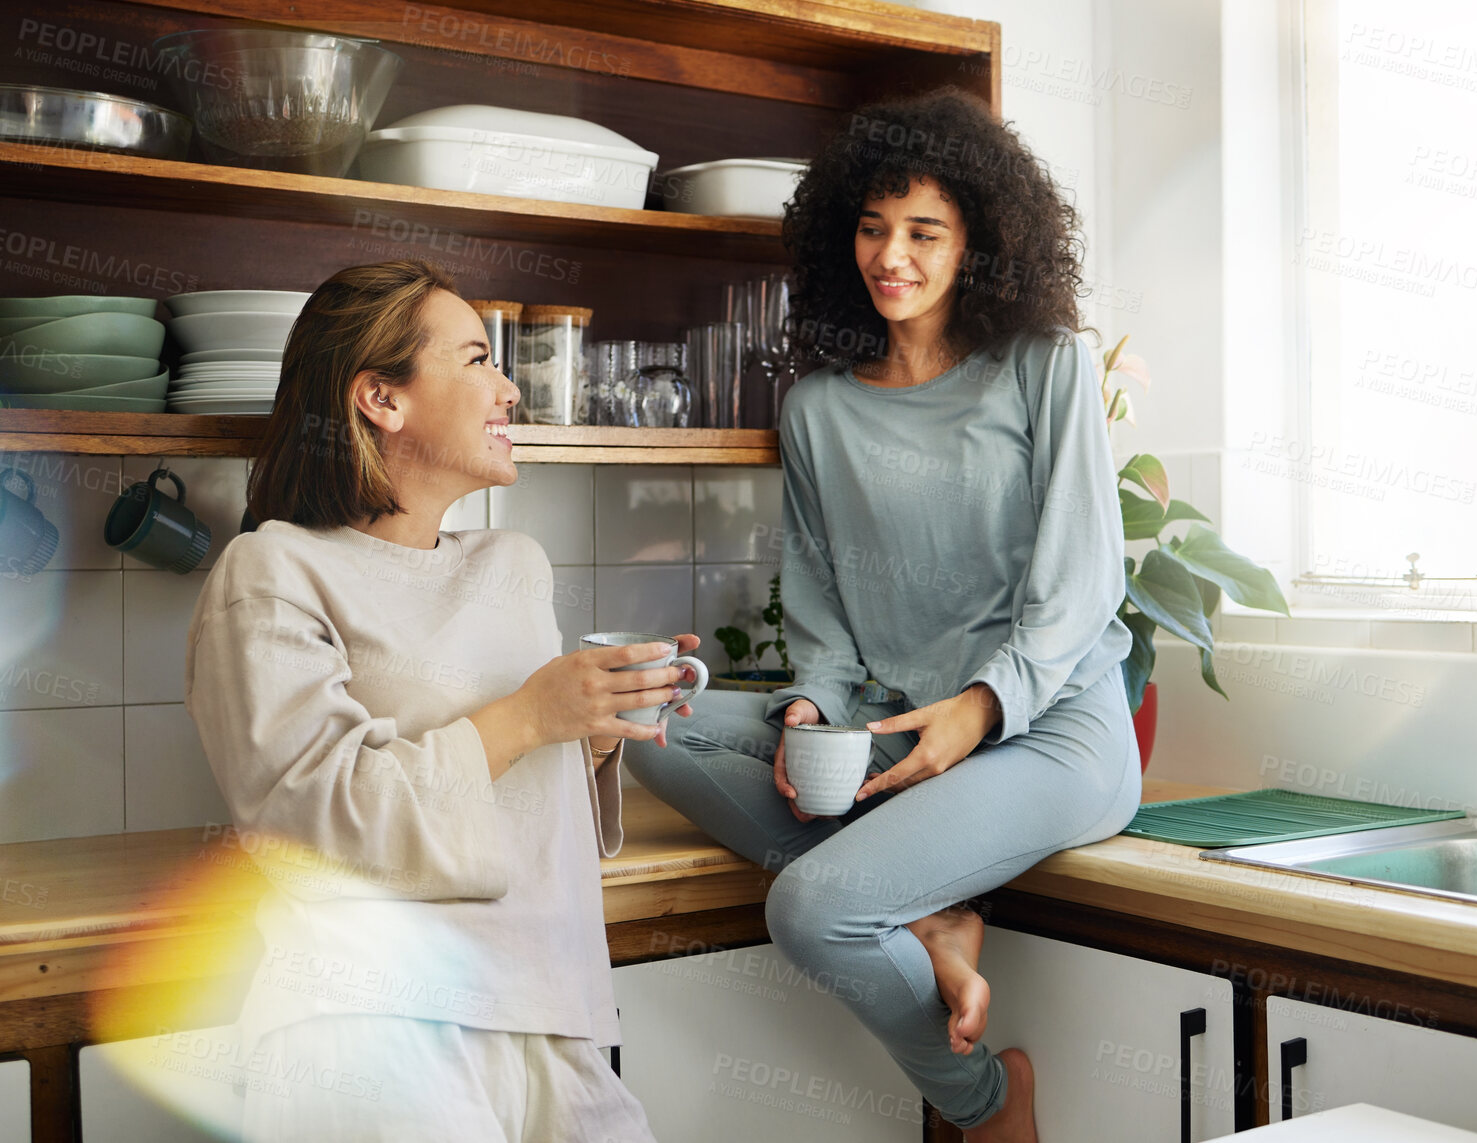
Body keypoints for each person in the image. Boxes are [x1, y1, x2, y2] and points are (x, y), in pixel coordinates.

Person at [623, 89, 1140, 1142]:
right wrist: (813, 706)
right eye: (870, 227)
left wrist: (979, 710)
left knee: (810, 908)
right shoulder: (819, 406)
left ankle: (989, 1103)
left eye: (922, 231)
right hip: (893, 725)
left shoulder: (1046, 364)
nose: (889, 255)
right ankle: (932, 910)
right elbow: (814, 606)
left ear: (977, 244)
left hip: (1049, 733)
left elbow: (1082, 585)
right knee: (648, 721)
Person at [186, 260, 692, 1141]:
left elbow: (520, 788)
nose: (509, 389)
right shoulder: (271, 572)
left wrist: (589, 735)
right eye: (477, 360)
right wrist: (533, 715)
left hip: (548, 1008)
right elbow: (312, 823)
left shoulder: (511, 566)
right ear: (381, 398)